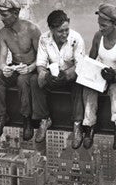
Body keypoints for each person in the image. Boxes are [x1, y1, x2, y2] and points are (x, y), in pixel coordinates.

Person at [32, 10, 86, 145]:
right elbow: (41, 63)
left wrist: (67, 75)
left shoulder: (76, 38)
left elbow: (80, 65)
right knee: (35, 81)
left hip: (71, 76)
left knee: (79, 83)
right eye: (60, 31)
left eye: (66, 30)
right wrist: (44, 74)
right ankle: (44, 119)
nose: (64, 34)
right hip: (53, 75)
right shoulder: (44, 39)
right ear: (51, 29)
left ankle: (77, 124)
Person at [0, 0, 41, 140]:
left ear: (15, 14)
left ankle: (27, 119)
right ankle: (1, 116)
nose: (2, 18)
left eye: (5, 15)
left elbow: (42, 58)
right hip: (15, 67)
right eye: (1, 14)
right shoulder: (3, 33)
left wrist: (30, 68)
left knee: (23, 81)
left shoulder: (32, 29)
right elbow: (1, 58)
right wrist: (4, 68)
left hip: (31, 68)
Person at [82, 4, 116, 150]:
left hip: (114, 77)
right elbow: (91, 58)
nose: (101, 28)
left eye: (104, 26)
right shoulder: (98, 36)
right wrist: (88, 73)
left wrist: (114, 75)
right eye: (99, 25)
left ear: (114, 24)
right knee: (89, 90)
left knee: (115, 92)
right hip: (100, 73)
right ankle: (89, 127)